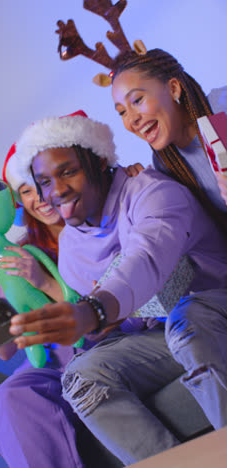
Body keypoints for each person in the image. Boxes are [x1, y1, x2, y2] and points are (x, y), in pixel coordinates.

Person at [4, 110, 227, 465]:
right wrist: (108, 324)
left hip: (213, 307)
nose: (56, 191)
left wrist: (95, 309)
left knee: (186, 321)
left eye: (68, 171)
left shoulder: (152, 193)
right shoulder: (71, 254)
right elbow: (134, 322)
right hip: (163, 336)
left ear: (99, 162)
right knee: (80, 378)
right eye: (44, 181)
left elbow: (147, 257)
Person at [0, 135, 143, 467]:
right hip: (50, 363)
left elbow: (118, 303)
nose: (40, 198)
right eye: (27, 191)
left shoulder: (102, 222)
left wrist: (44, 280)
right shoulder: (17, 251)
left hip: (105, 340)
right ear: (17, 202)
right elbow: (5, 350)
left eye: (41, 184)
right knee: (8, 396)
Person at [109, 46, 227, 431]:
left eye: (137, 100)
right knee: (187, 318)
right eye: (122, 112)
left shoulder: (223, 108)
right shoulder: (166, 165)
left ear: (173, 88)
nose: (131, 119)